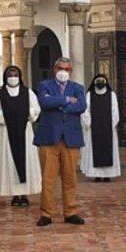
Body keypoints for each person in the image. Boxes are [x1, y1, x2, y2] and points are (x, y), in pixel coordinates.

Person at [34, 57, 87, 227]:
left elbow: (81, 106)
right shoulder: (44, 85)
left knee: (70, 178)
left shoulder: (77, 88)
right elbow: (44, 101)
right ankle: (46, 213)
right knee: (48, 178)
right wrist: (65, 100)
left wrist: (57, 102)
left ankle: (70, 212)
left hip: (71, 137)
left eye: (67, 69)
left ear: (70, 71)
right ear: (55, 69)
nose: (63, 72)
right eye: (60, 68)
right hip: (49, 137)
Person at [0, 66, 42, 206]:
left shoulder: (28, 92)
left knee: (26, 160)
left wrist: (27, 114)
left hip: (24, 130)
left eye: (15, 74)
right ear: (5, 77)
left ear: (20, 76)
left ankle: (25, 194)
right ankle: (14, 194)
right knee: (9, 162)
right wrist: (7, 117)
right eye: (10, 74)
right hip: (7, 131)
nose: (12, 77)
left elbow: (36, 108)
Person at [80, 74, 121, 182]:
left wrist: (111, 124)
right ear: (94, 82)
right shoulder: (89, 95)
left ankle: (108, 175)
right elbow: (85, 110)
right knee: (93, 151)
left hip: (108, 128)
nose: (100, 82)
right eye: (98, 80)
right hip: (93, 128)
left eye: (102, 80)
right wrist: (88, 123)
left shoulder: (111, 95)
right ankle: (96, 175)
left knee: (109, 149)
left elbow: (115, 111)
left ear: (106, 82)